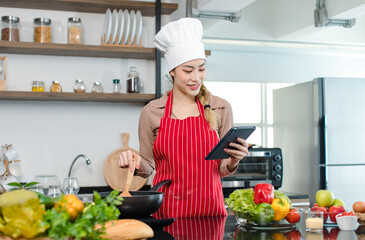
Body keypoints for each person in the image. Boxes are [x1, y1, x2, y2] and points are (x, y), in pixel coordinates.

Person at [118, 18, 249, 218]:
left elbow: (221, 168)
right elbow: (148, 166)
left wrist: (233, 160)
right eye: (188, 70)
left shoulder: (221, 107)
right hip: (166, 212)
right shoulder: (153, 111)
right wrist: (134, 161)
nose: (196, 77)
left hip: (210, 213)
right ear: (172, 70)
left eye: (201, 68)